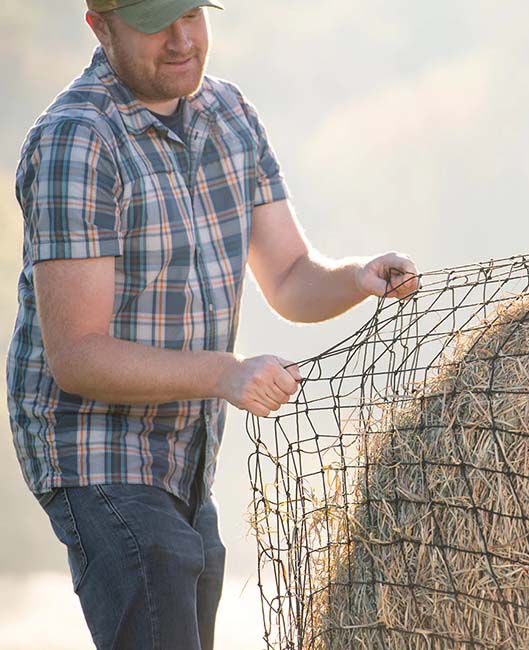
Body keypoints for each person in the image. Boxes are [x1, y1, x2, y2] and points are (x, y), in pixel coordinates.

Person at [5, 0, 421, 648]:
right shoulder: (76, 140)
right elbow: (78, 355)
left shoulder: (229, 112)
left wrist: (355, 278)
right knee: (162, 591)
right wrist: (226, 373)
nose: (181, 40)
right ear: (100, 27)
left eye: (192, 14)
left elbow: (287, 274)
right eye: (153, 22)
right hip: (91, 446)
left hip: (187, 448)